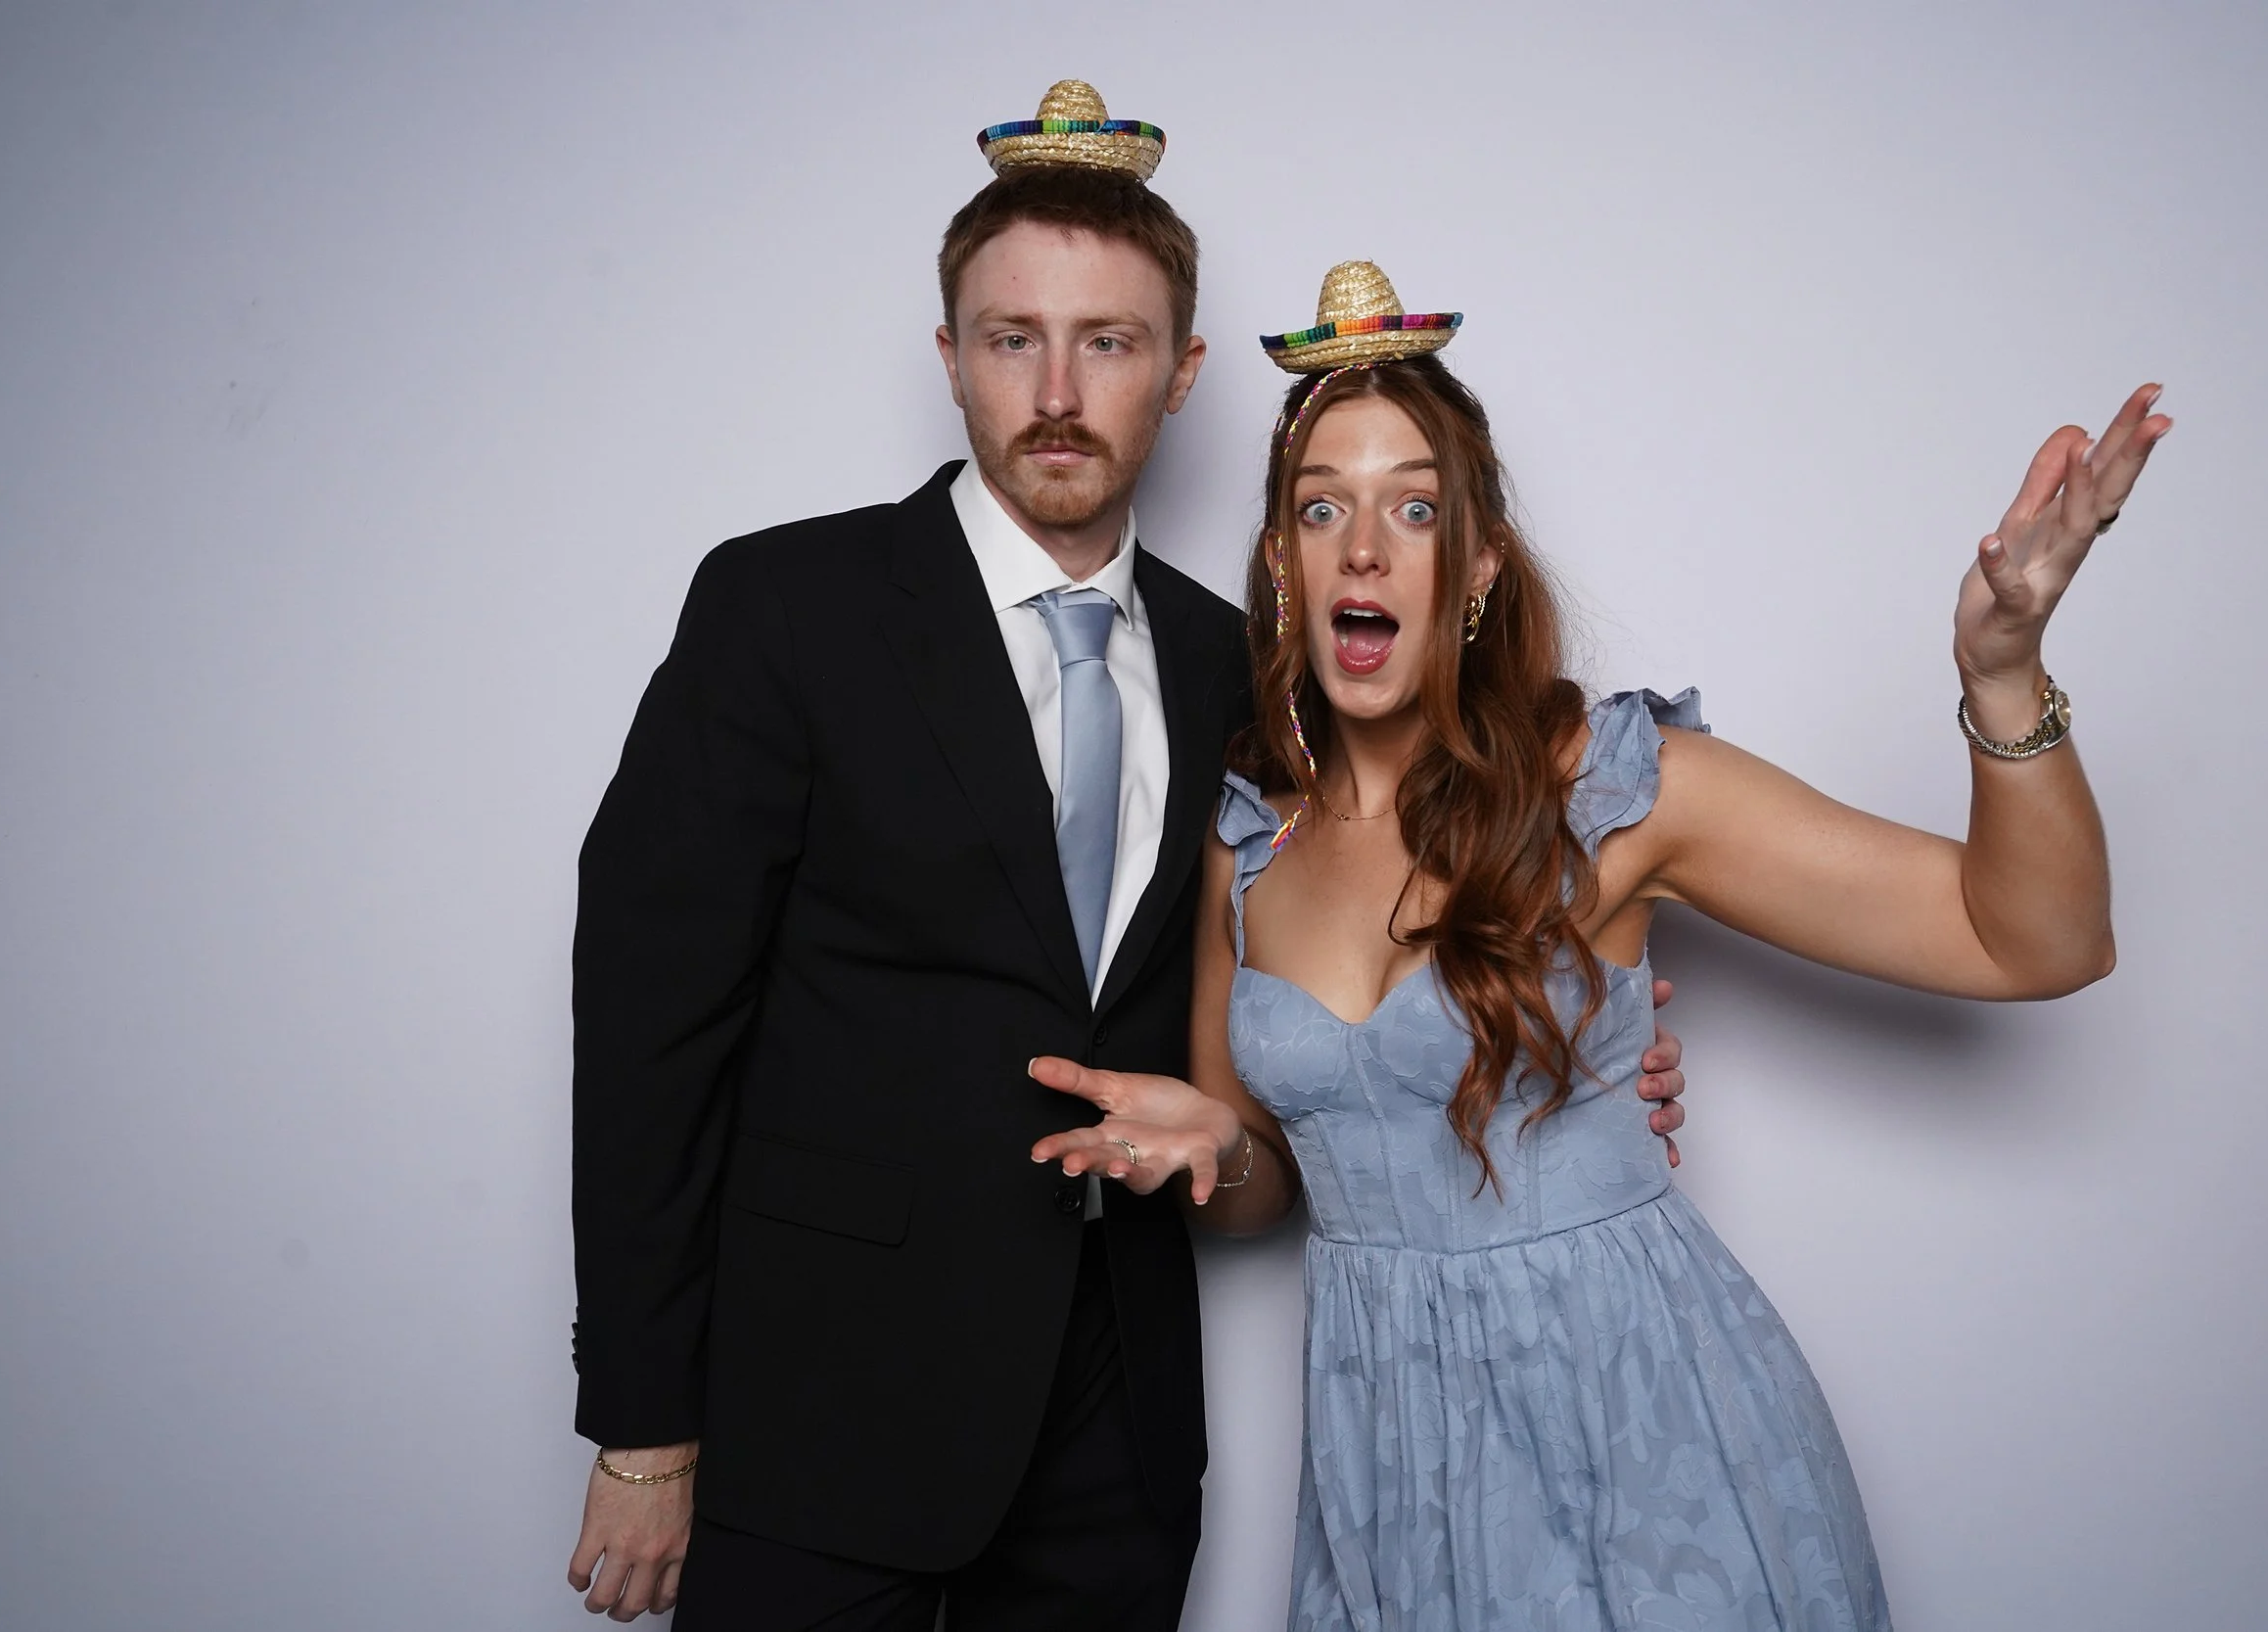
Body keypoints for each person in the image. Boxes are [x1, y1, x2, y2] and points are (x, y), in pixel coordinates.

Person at [563, 96, 1692, 1628]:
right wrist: (645, 1422)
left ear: (1183, 374)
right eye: (1012, 337)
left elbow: (1370, 929)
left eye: (1108, 341)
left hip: (1117, 1438)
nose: (1056, 389)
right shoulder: (786, 610)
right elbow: (651, 1023)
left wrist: (1576, 1027)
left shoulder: (1252, 671)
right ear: (950, 354)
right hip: (816, 1428)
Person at [1026, 260, 2170, 1630]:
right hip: (1386, 1460)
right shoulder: (1246, 840)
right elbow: (1270, 1191)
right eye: (1322, 507)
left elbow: (2034, 939)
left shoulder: (1613, 788)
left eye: (1415, 507)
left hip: (1638, 1423)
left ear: (1480, 564)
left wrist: (2002, 672)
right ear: (1283, 563)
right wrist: (1215, 1144)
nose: (1365, 548)